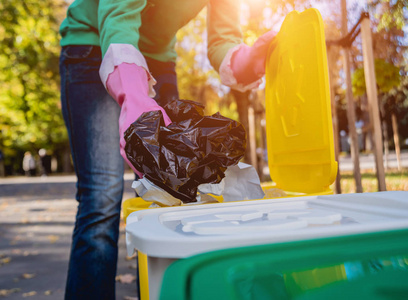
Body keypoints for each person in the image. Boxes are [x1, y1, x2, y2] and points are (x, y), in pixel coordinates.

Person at [59, 1, 276, 299]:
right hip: (93, 43)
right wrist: (132, 89)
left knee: (169, 196)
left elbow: (222, 38)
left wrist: (245, 60)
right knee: (101, 195)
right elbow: (117, 11)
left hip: (158, 60)